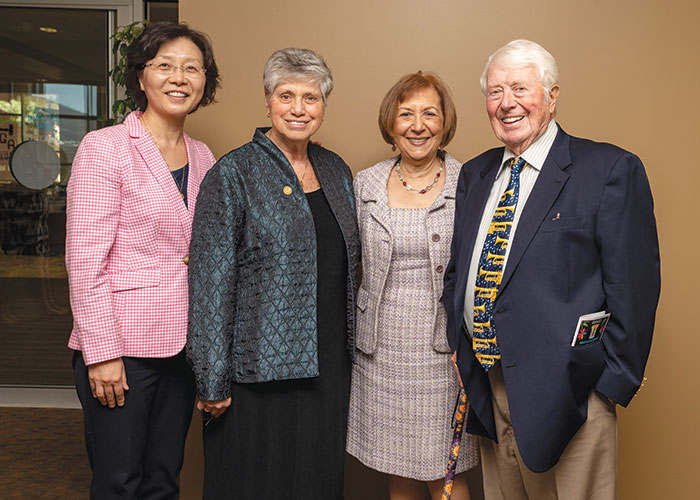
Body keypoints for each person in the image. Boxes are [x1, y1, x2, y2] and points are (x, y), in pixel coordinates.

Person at [444, 39, 660, 500]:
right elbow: (460, 268)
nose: (507, 103)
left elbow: (634, 288)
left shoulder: (607, 169)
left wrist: (606, 387)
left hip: (571, 394)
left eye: (520, 87)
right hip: (490, 383)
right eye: (495, 91)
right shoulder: (477, 174)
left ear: (552, 95)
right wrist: (461, 348)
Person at [186, 47, 360, 499]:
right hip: (255, 373)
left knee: (315, 481)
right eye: (286, 96)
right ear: (267, 100)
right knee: (253, 483)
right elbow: (209, 282)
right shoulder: (233, 173)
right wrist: (211, 377)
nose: (298, 109)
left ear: (323, 105)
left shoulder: (336, 170)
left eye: (311, 97)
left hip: (327, 367)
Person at [66, 21, 220, 499]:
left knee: (163, 478)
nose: (179, 77)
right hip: (122, 347)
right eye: (165, 66)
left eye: (191, 68)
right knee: (118, 481)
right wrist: (103, 354)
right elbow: (85, 262)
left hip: (182, 347)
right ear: (140, 77)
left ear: (204, 83)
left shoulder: (203, 156)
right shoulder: (105, 148)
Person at [346, 71, 478, 500]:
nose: (417, 125)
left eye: (429, 114)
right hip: (380, 351)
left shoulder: (470, 182)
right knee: (396, 467)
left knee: (445, 472)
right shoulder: (364, 183)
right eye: (406, 114)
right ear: (391, 122)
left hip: (445, 352)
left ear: (445, 123)